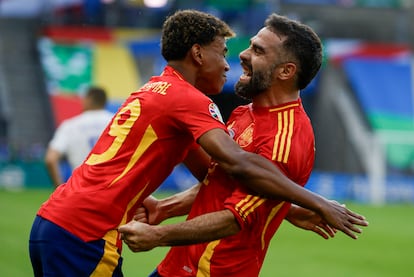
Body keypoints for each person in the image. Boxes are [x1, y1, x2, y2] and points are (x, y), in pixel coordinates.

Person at [29, 10, 367, 277]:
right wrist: (301, 203)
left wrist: (291, 206)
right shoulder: (223, 111)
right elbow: (224, 175)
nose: (238, 57)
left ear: (285, 71)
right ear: (197, 54)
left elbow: (235, 206)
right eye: (228, 50)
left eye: (258, 50)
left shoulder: (287, 135)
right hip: (91, 235)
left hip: (208, 269)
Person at [44, 86, 113, 187]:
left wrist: (59, 188)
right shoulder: (118, 122)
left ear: (88, 100)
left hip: (81, 188)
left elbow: (50, 159)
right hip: (111, 189)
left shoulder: (70, 125)